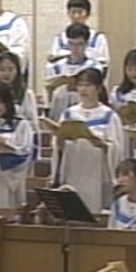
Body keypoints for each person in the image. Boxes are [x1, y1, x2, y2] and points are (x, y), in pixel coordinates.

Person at [51, 68, 124, 213]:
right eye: (80, 85)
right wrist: (59, 140)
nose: (83, 89)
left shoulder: (109, 116)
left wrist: (102, 145)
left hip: (96, 173)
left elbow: (117, 148)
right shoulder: (69, 114)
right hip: (73, 169)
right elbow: (58, 148)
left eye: (88, 85)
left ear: (98, 88)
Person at [45, 23, 102, 121]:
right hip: (59, 110)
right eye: (71, 44)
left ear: (86, 44)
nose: (75, 48)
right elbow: (49, 93)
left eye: (79, 44)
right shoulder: (56, 67)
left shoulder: (94, 67)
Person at [48, 0, 110, 69]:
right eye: (73, 12)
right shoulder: (60, 39)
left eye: (80, 12)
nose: (76, 16)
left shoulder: (98, 38)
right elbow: (53, 63)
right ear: (68, 13)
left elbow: (104, 64)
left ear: (88, 14)